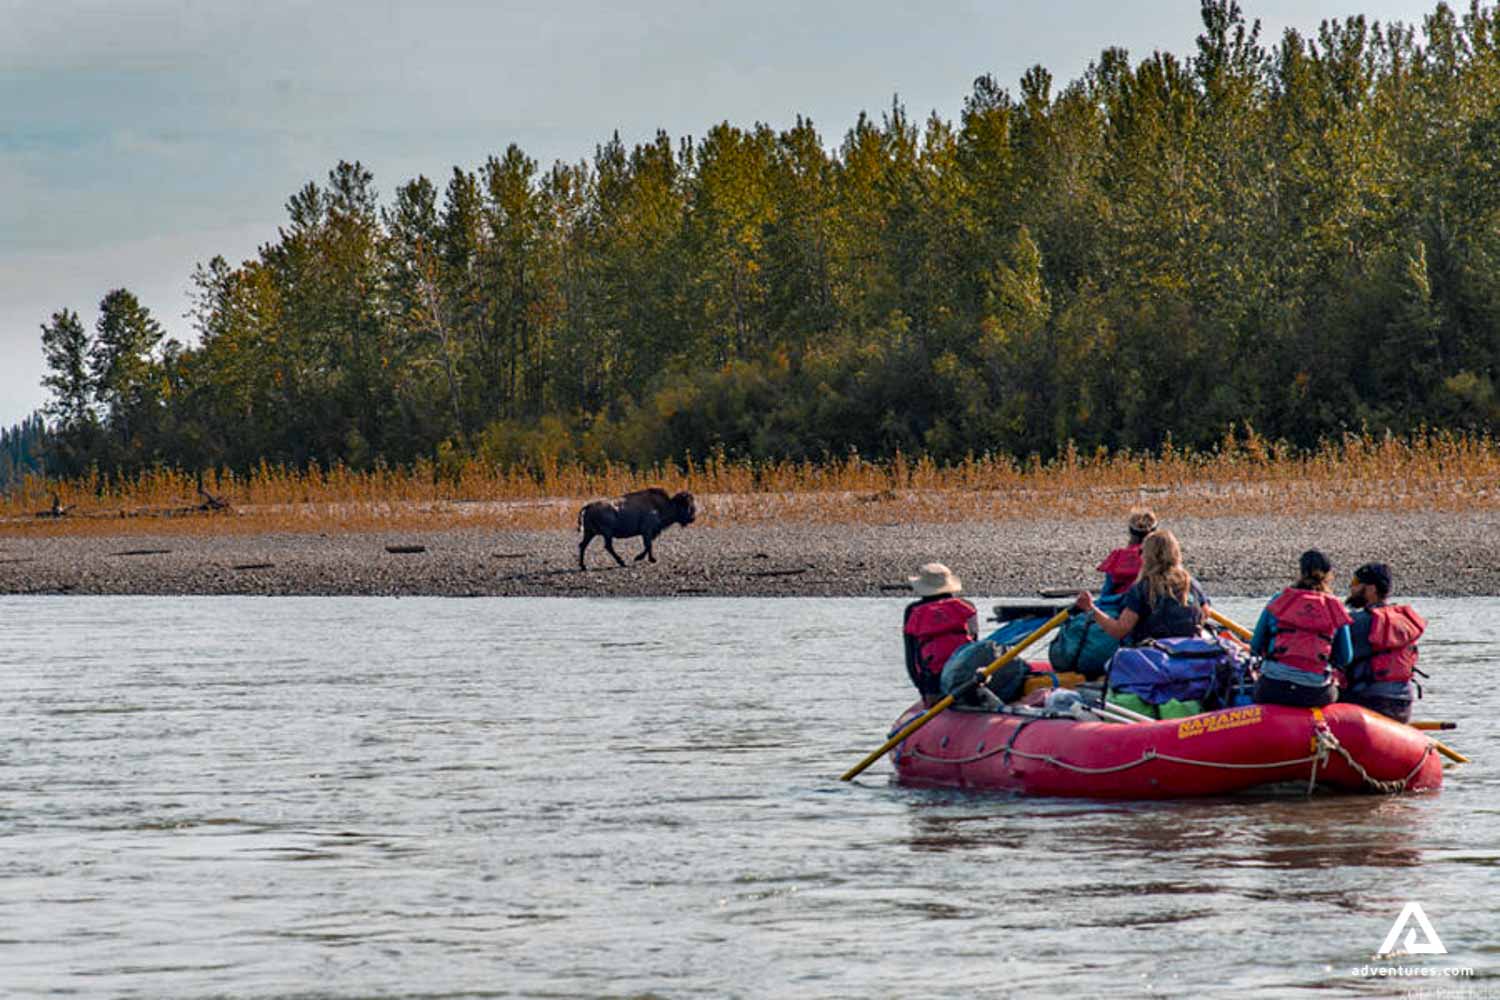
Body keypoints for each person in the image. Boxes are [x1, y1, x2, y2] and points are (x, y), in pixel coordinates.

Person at [1250, 549, 1353, 708]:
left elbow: (1255, 644)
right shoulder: (1335, 607)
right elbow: (1345, 657)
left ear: (1301, 571)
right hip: (1315, 693)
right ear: (1328, 575)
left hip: (1272, 688)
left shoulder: (1280, 599)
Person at [1074, 530, 1209, 643]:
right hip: (1188, 649)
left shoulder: (1142, 588)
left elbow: (1119, 631)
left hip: (1154, 655)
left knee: (1109, 665)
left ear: (1147, 556)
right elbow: (1205, 614)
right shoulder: (1190, 583)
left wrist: (1091, 609)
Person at [1340, 562, 1426, 723]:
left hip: (1370, 703)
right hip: (1403, 704)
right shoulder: (1402, 621)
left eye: (1356, 583)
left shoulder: (1359, 623)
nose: (1351, 588)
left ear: (1372, 589)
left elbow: (1337, 657)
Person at [903, 563, 978, 706]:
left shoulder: (913, 610)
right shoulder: (967, 606)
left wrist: (923, 690)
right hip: (967, 680)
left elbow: (911, 656)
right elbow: (974, 643)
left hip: (933, 682)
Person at [1096, 508, 1159, 597]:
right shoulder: (1162, 557)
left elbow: (1106, 593)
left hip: (1121, 604)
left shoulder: (1117, 557)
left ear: (1130, 532)